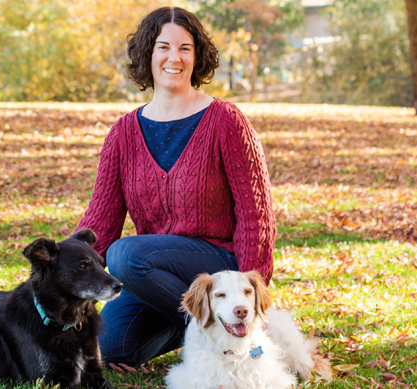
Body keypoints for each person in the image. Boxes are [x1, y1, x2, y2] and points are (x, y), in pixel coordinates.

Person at [74, 6, 276, 366]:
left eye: (185, 48)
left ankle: (230, 325)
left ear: (197, 57)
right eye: (163, 47)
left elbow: (254, 214)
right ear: (147, 54)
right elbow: (99, 225)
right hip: (156, 274)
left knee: (125, 256)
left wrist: (252, 298)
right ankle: (208, 329)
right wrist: (62, 277)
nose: (174, 57)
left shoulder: (226, 121)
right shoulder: (123, 134)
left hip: (217, 267)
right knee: (110, 347)